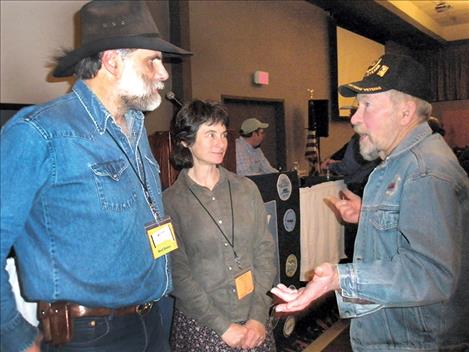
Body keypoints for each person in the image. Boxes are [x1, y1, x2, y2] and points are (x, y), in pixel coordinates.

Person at [0, 1, 191, 351]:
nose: (163, 73)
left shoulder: (135, 129)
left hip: (153, 319)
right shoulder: (39, 133)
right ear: (112, 61)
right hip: (91, 335)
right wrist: (15, 334)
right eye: (152, 60)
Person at [272, 54, 469, 351]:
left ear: (405, 113)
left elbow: (432, 274)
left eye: (367, 106)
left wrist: (340, 278)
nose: (354, 118)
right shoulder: (403, 163)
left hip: (417, 342)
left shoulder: (425, 171)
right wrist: (369, 215)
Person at [163, 100, 277, 351]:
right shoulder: (169, 202)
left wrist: (258, 315)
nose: (221, 142)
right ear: (186, 141)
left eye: (224, 134)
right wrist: (223, 327)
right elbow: (176, 272)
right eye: (210, 134)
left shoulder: (247, 189)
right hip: (203, 326)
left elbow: (265, 252)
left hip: (253, 321)